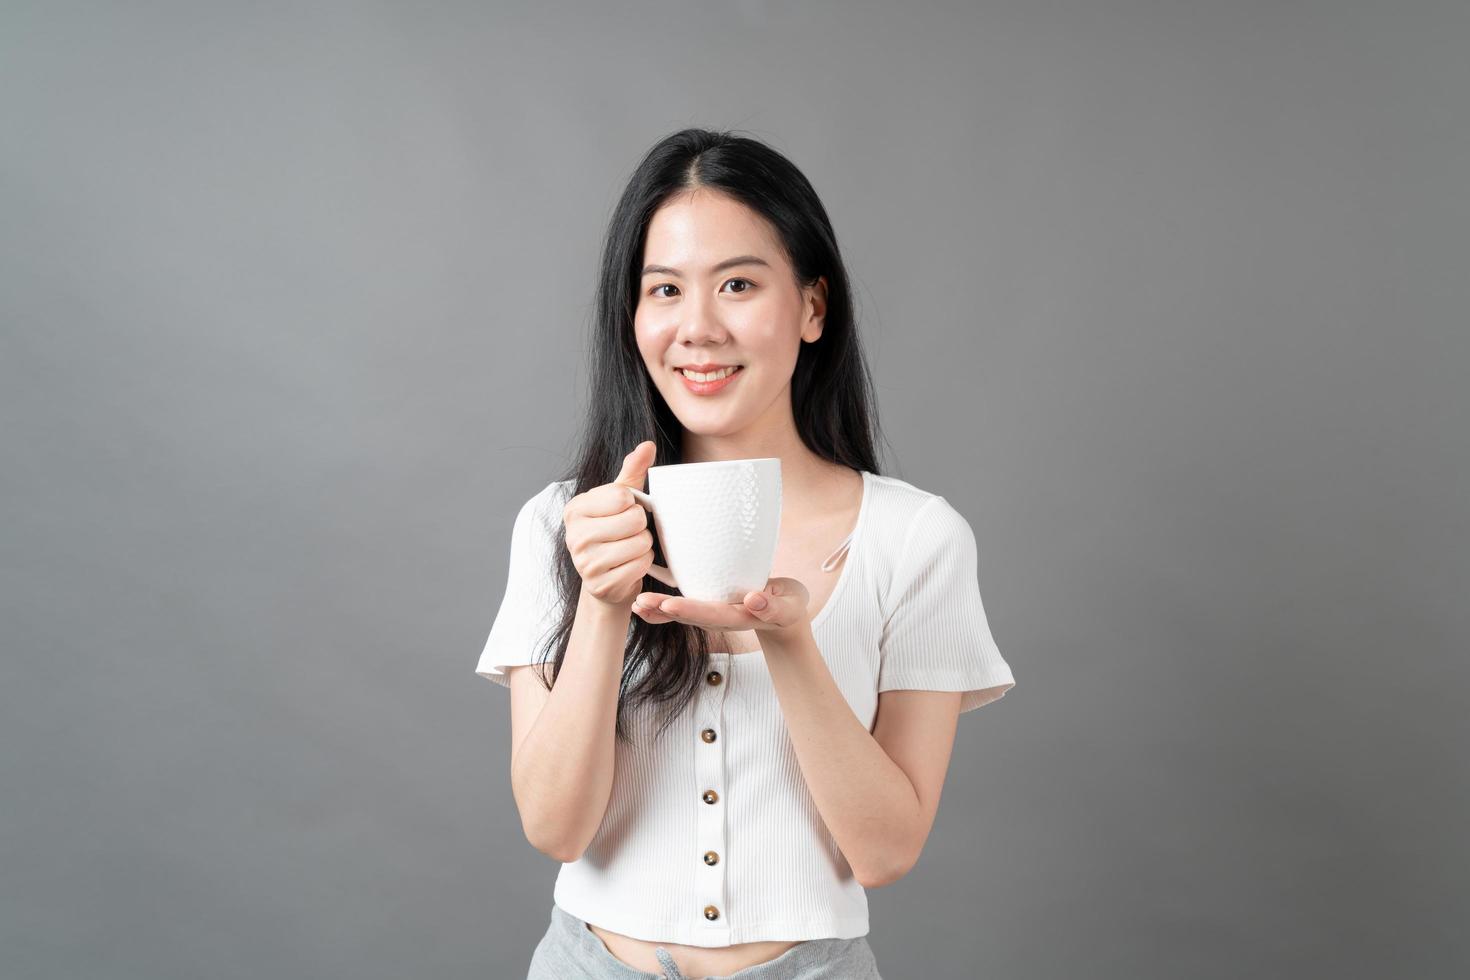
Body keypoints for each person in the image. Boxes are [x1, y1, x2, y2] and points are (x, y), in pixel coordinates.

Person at [476, 128, 1017, 980]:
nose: (697, 327)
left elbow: (884, 851)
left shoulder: (915, 538)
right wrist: (602, 606)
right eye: (664, 290)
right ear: (633, 316)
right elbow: (555, 828)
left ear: (811, 308)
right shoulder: (563, 525)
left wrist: (790, 639)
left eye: (736, 284)